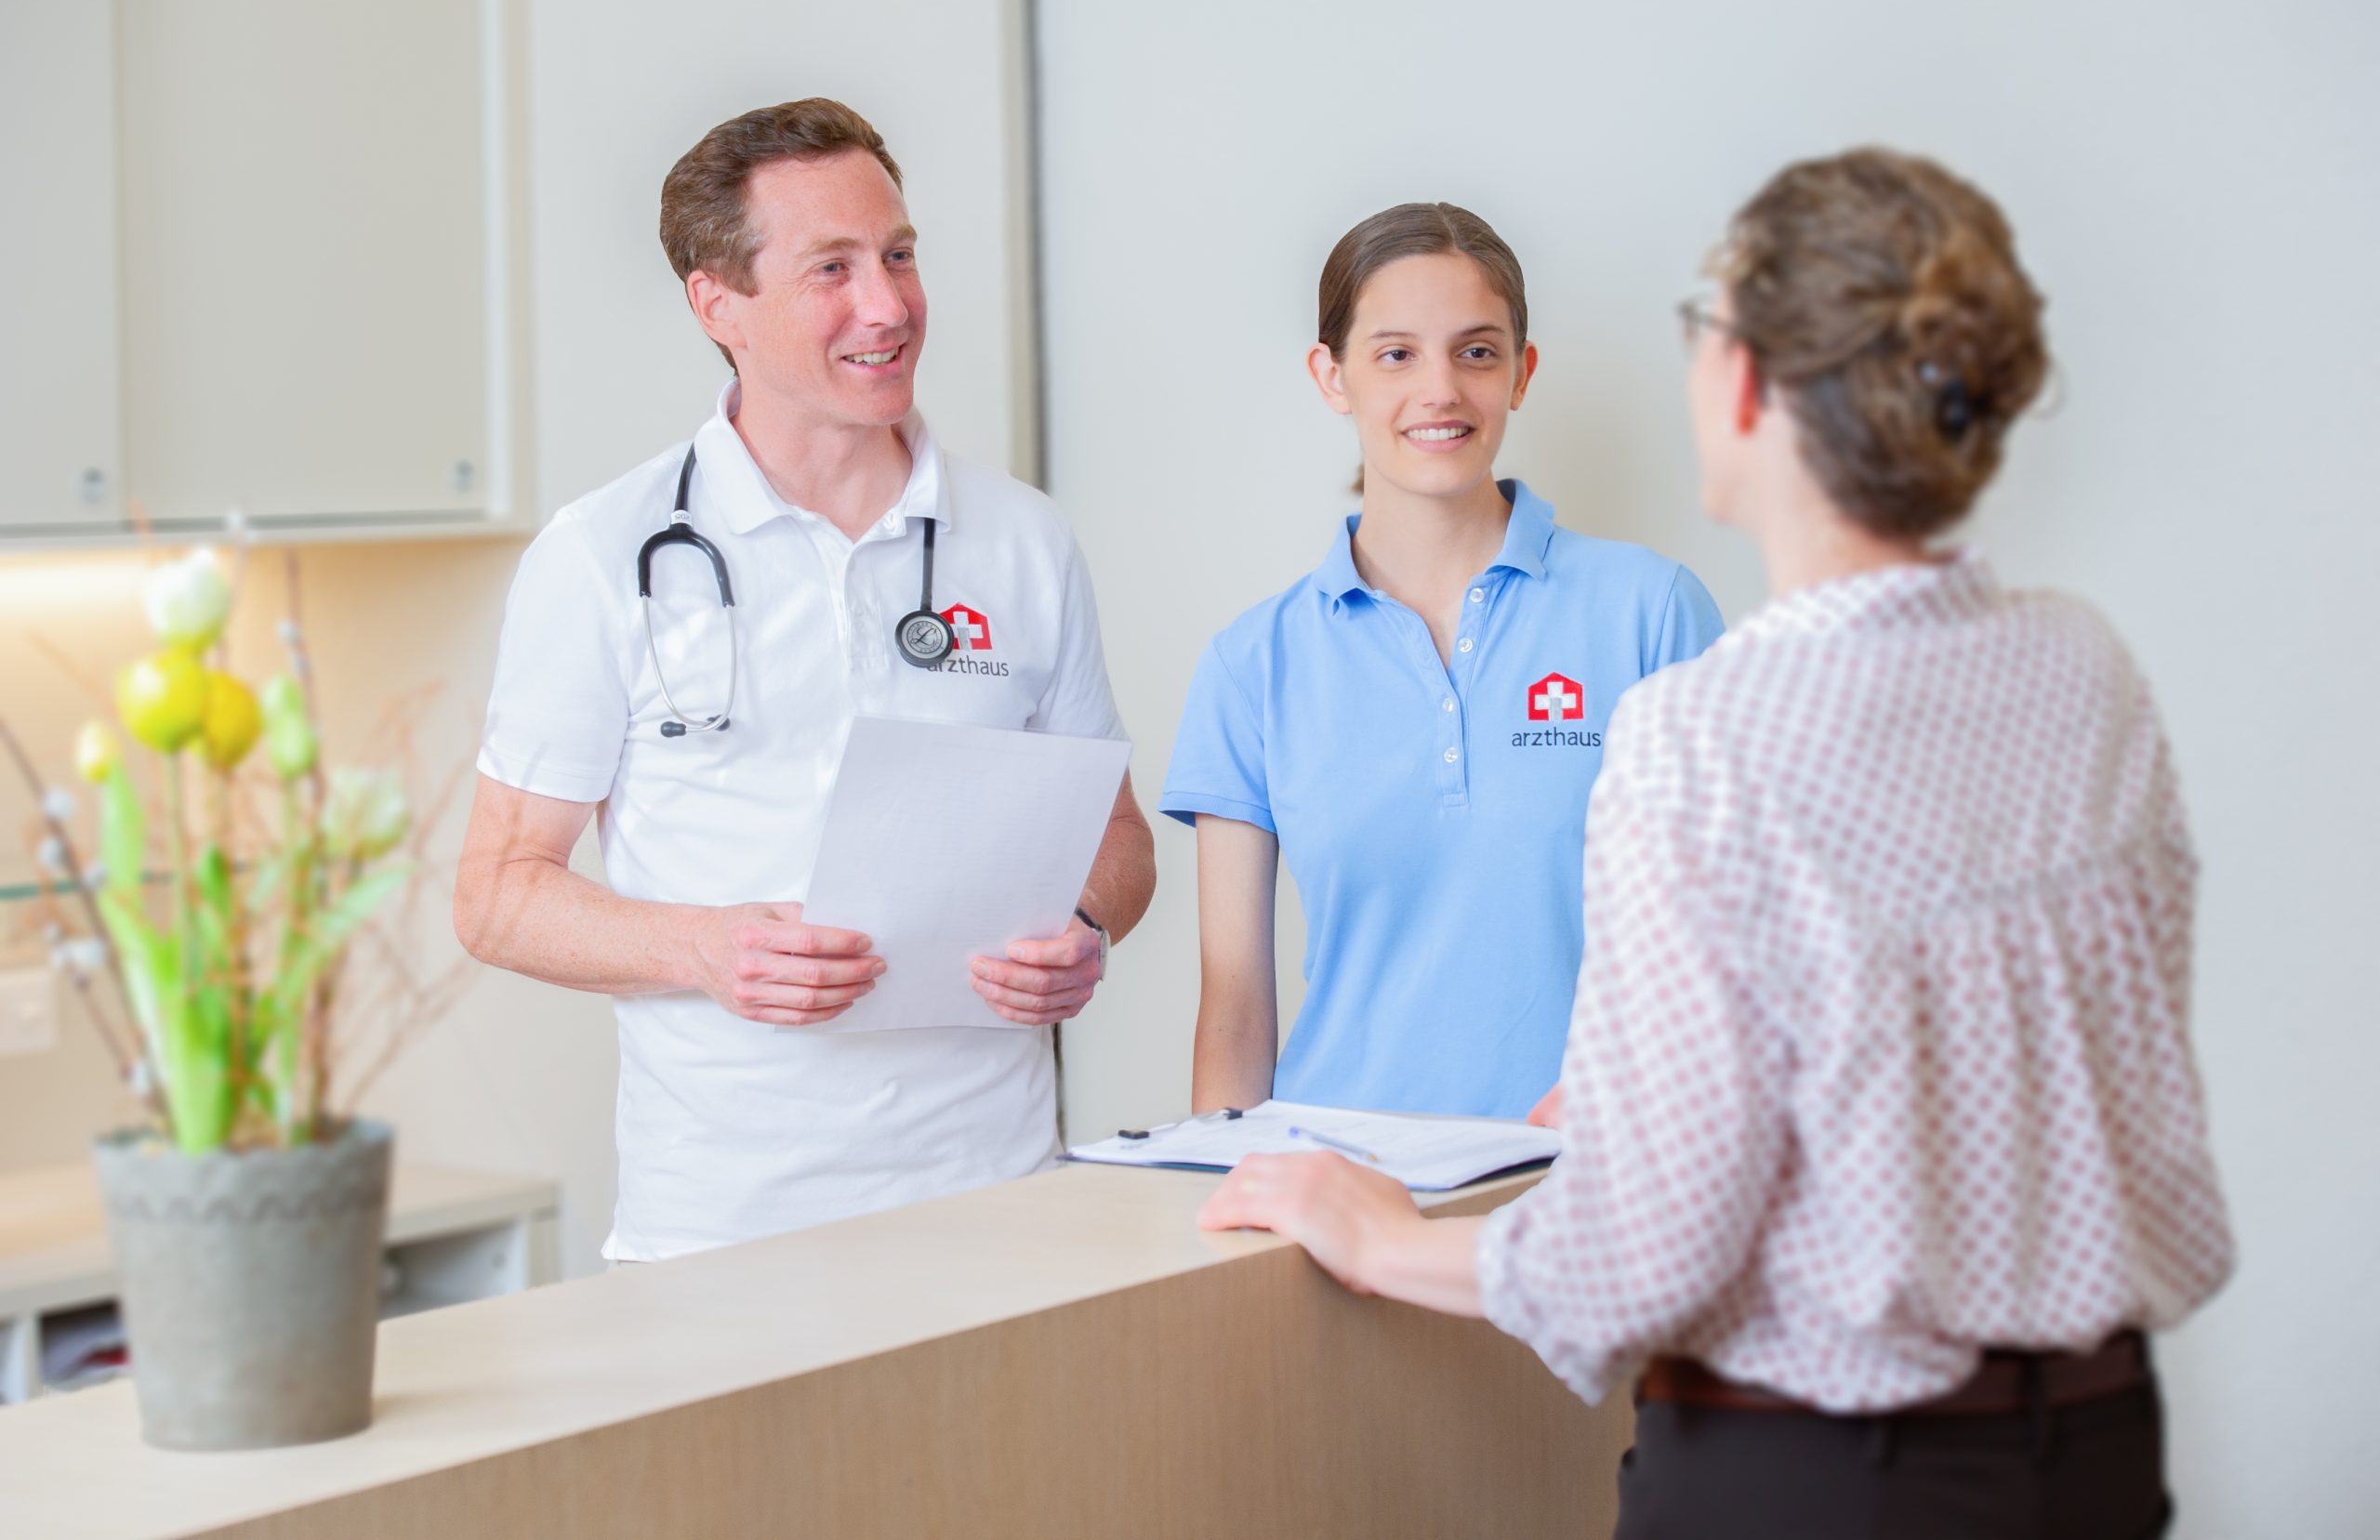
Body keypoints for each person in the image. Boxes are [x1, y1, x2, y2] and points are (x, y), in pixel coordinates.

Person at [1197, 150, 2234, 1537]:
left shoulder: (1701, 721)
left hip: (1816, 1473)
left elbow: (1650, 1252)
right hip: (2093, 1445)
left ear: (1743, 384)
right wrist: (1647, 1082)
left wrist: (1385, 1232)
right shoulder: (2084, 668)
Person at [453, 99, 1155, 1262]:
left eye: (899, 255)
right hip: (728, 1231)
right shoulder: (604, 555)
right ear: (715, 301)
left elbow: (1116, 834)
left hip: (1004, 1206)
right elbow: (495, 892)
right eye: (831, 267)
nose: (887, 305)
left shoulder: (1022, 540)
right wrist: (698, 948)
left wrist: (1085, 922)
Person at [1161, 203, 1724, 1121]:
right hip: (1335, 1200)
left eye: (1476, 351)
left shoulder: (1651, 613)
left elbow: (1733, 940)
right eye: (1395, 353)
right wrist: (1222, 1223)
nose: (1441, 390)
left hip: (1601, 1194)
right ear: (1329, 373)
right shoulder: (1252, 664)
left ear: (1520, 371)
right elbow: (1233, 1008)